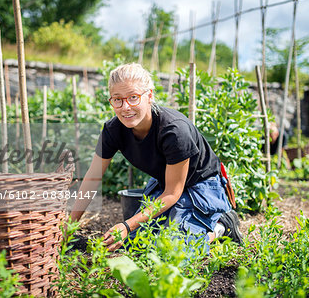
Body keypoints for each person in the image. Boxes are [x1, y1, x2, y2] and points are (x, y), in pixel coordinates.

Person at [69, 63, 242, 252]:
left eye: (133, 97)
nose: (125, 107)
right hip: (166, 183)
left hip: (201, 186)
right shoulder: (113, 130)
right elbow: (92, 179)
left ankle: (222, 226)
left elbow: (173, 193)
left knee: (172, 251)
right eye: (117, 100)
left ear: (149, 96)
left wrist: (127, 225)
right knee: (134, 245)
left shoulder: (174, 131)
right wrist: (69, 228)